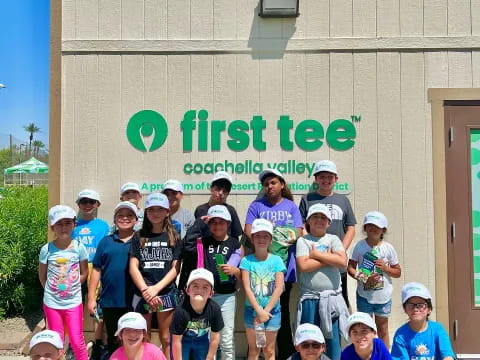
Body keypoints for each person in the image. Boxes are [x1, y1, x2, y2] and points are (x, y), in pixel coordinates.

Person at [244, 168, 303, 359]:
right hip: (258, 270)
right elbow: (248, 231)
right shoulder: (256, 206)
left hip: (283, 269)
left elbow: (298, 233)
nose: (269, 187)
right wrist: (280, 236)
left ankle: (284, 354)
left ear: (282, 184)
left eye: (273, 183)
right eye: (266, 184)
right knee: (256, 326)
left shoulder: (291, 207)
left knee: (281, 316)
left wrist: (274, 237)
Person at [179, 205, 241, 360]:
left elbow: (244, 273)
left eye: (222, 222)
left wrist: (235, 271)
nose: (217, 225)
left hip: (226, 297)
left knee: (226, 338)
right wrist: (200, 223)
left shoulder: (235, 243)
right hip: (204, 297)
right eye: (213, 222)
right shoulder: (202, 243)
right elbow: (186, 246)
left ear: (228, 223)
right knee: (205, 338)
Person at [129, 192, 181, 360]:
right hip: (143, 294)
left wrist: (156, 289)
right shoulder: (139, 236)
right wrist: (146, 290)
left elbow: (175, 268)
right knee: (144, 337)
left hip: (165, 293)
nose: (156, 213)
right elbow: (133, 267)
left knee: (166, 337)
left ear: (167, 212)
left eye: (160, 209)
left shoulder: (174, 236)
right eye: (152, 209)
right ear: (146, 212)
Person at [298, 160, 356, 308]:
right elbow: (301, 225)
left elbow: (350, 227)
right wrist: (311, 248)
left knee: (340, 303)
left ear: (336, 179)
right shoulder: (307, 199)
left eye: (330, 177)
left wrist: (339, 251)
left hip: (336, 260)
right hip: (312, 257)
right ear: (316, 179)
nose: (326, 180)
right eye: (322, 176)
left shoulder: (343, 200)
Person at [295, 204, 349, 360]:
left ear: (329, 222)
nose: (319, 220)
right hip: (310, 300)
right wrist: (328, 258)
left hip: (331, 301)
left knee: (332, 344)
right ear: (308, 221)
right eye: (315, 217)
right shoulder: (303, 241)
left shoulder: (334, 239)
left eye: (323, 218)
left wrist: (315, 255)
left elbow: (342, 262)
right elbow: (304, 266)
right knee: (309, 344)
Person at [88, 201, 138, 356]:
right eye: (120, 215)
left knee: (135, 339)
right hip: (110, 301)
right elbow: (96, 270)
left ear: (136, 219)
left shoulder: (141, 241)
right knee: (114, 339)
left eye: (129, 215)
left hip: (135, 301)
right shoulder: (105, 242)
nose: (125, 218)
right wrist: (91, 298)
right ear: (115, 219)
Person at [38, 205, 89, 360]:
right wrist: (52, 292)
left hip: (73, 302)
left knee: (76, 339)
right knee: (56, 340)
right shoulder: (46, 249)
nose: (63, 227)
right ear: (52, 226)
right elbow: (42, 276)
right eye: (59, 224)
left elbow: (85, 272)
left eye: (67, 223)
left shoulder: (79, 248)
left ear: (74, 224)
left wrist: (72, 286)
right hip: (52, 302)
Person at [347, 211, 401, 348]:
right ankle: (366, 355)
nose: (373, 228)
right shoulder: (359, 246)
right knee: (364, 330)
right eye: (369, 225)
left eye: (377, 226)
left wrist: (385, 268)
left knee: (382, 330)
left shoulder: (388, 248)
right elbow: (351, 267)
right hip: (364, 296)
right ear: (364, 228)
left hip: (383, 297)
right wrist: (363, 277)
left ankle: (383, 356)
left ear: (384, 229)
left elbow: (398, 272)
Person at [240, 218, 286, 360]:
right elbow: (247, 288)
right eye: (258, 236)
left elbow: (279, 288)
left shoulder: (277, 260)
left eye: (266, 236)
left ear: (271, 240)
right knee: (254, 350)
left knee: (269, 350)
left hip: (272, 313)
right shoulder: (246, 261)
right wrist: (259, 311)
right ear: (252, 239)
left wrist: (265, 312)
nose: (261, 239)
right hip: (252, 312)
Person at [72, 189, 109, 359]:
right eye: (83, 201)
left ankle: (98, 344)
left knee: (96, 310)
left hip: (96, 269)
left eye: (91, 202)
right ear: (78, 204)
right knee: (75, 309)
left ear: (97, 205)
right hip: (75, 270)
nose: (87, 205)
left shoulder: (103, 225)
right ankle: (74, 345)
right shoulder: (72, 225)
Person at [391, 282, 456, 360]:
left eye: (420, 305)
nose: (415, 309)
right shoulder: (401, 335)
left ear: (429, 309)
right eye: (411, 305)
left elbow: (448, 355)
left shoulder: (438, 329)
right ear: (405, 309)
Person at [170, 268, 224, 360]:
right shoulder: (181, 311)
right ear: (187, 290)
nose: (199, 290)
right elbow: (176, 341)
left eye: (205, 287)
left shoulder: (214, 309)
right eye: (195, 286)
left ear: (211, 293)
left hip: (202, 340)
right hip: (183, 340)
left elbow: (215, 336)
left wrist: (210, 357)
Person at [190, 171, 243, 239]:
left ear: (228, 193)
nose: (221, 193)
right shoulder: (200, 210)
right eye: (218, 189)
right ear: (211, 188)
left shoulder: (231, 210)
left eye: (225, 191)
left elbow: (235, 236)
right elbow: (195, 234)